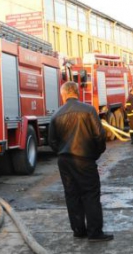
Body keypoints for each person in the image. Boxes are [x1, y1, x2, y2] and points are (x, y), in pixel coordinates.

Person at [48, 81, 113, 242]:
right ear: (77, 92)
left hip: (65, 161)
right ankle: (95, 233)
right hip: (84, 159)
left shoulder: (56, 115)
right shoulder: (89, 110)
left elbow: (52, 141)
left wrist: (62, 153)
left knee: (72, 194)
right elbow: (100, 135)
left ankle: (78, 230)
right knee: (90, 194)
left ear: (63, 95)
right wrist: (95, 153)